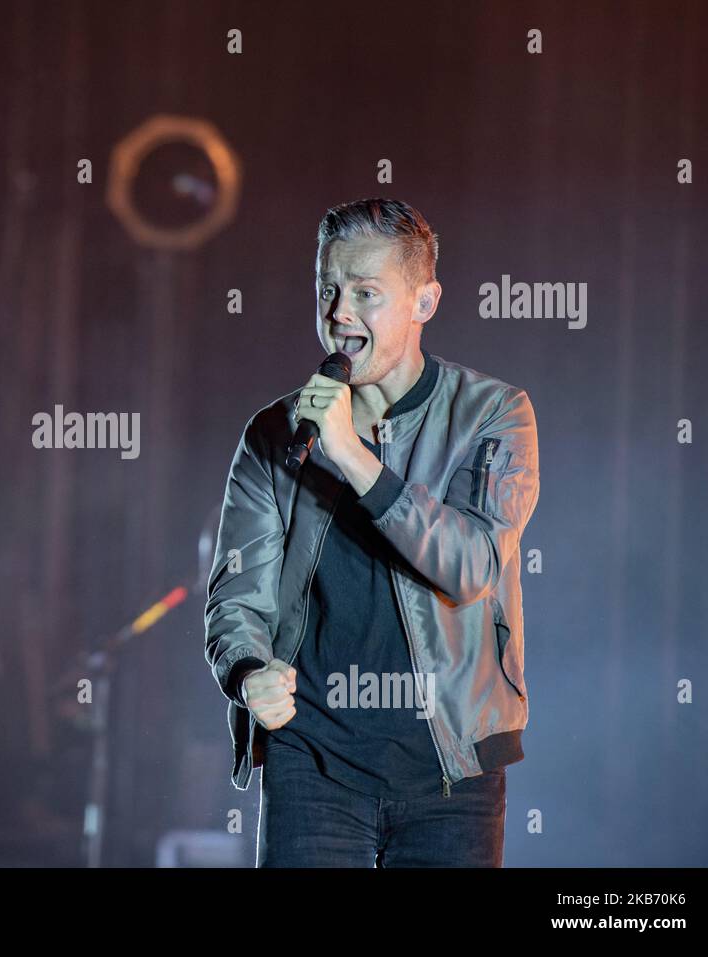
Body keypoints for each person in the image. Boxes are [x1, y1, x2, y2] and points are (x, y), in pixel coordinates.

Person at [204, 198, 539, 867]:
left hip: (452, 766)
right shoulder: (277, 434)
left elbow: (470, 564)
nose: (338, 314)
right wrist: (246, 671)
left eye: (366, 293)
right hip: (314, 762)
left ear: (424, 301)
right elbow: (237, 594)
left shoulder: (494, 414)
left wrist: (354, 456)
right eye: (328, 289)